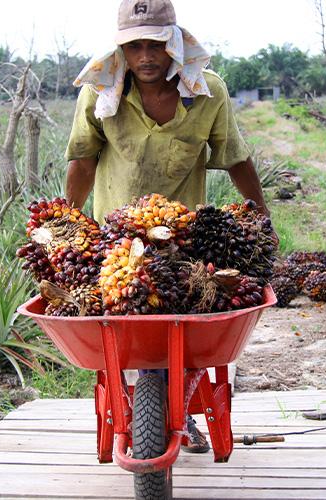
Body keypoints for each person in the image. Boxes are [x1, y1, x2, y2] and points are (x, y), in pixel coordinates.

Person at [64, 0, 272, 453]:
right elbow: (82, 161)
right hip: (115, 241)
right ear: (121, 49)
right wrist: (68, 221)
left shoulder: (207, 93)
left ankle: (179, 409)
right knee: (128, 329)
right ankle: (138, 410)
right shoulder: (101, 92)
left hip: (185, 240)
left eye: (155, 44)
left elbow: (236, 158)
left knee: (181, 329)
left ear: (174, 42)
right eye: (134, 46)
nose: (146, 57)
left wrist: (260, 215)